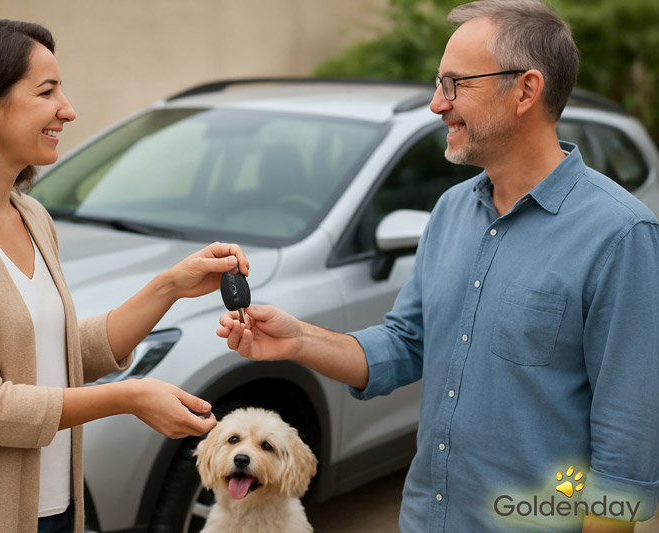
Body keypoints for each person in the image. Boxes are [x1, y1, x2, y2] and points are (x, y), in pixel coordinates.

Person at [218, 1, 659, 532]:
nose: (435, 104)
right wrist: (299, 340)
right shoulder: (450, 211)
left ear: (525, 89)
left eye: (455, 84)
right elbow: (408, 344)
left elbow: (626, 447)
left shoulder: (621, 234)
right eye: (437, 83)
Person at [0, 17, 248, 533]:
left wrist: (170, 287)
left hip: (54, 511)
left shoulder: (32, 217)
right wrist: (130, 396)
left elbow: (60, 352)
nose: (67, 110)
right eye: (47, 91)